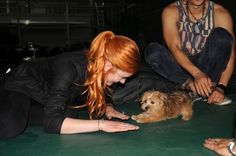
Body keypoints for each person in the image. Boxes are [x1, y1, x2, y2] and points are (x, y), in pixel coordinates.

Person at [0, 31, 141, 138]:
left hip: (41, 96)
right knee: (11, 126)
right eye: (122, 77)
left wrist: (108, 107)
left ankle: (22, 113)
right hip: (20, 85)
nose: (123, 82)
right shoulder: (68, 68)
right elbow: (52, 124)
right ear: (107, 66)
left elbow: (101, 89)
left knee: (70, 115)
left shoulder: (98, 66)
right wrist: (101, 125)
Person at [144, 0, 235, 105]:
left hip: (207, 67)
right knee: (152, 51)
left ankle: (210, 88)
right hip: (183, 68)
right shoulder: (171, 11)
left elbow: (230, 54)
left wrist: (221, 87)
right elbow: (175, 48)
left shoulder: (220, 13)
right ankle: (191, 87)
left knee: (223, 37)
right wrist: (196, 74)